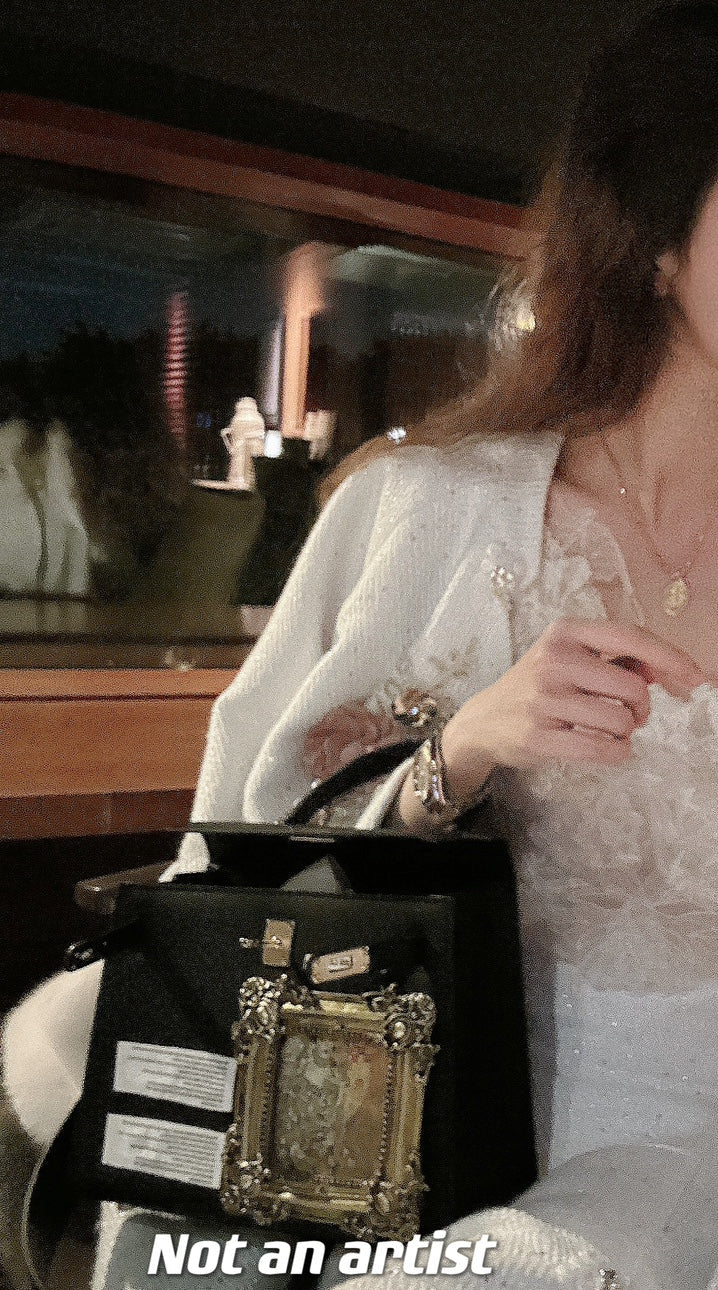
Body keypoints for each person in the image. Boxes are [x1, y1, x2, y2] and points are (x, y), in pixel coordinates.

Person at [5, 4, 718, 1287]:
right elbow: (246, 852)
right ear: (658, 239)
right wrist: (460, 750)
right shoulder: (429, 512)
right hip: (392, 1111)